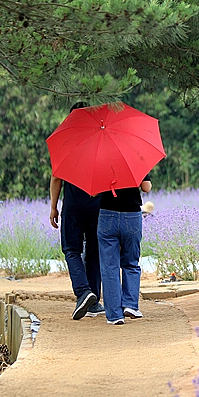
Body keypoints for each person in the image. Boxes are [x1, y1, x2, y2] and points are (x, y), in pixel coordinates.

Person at [49, 103, 105, 321]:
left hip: (73, 206)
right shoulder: (103, 138)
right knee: (94, 253)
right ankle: (94, 303)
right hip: (98, 206)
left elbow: (56, 177)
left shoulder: (65, 140)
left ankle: (83, 292)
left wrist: (54, 206)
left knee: (71, 249)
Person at [97, 172, 153, 325]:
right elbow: (146, 188)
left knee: (109, 267)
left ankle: (115, 315)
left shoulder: (101, 160)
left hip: (107, 214)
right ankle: (130, 304)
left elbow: (93, 192)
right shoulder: (133, 157)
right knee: (131, 262)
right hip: (132, 215)